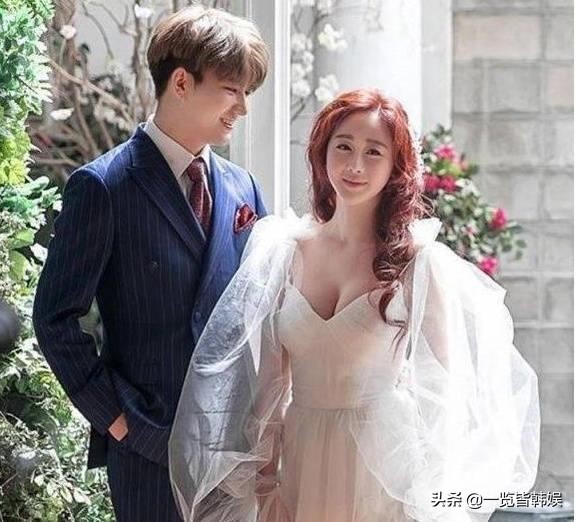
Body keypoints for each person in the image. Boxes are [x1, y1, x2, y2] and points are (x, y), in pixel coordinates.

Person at [168, 89, 540, 522]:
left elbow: (445, 390)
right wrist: (265, 483)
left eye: (374, 152)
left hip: (383, 466)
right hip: (302, 459)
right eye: (343, 146)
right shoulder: (284, 251)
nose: (355, 165)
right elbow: (270, 387)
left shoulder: (417, 263)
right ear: (322, 152)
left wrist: (429, 489)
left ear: (396, 166)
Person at [32, 6, 269, 521]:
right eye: (232, 90)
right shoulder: (104, 186)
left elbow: (265, 304)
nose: (243, 108)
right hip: (148, 449)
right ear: (181, 82)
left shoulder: (243, 187)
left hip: (235, 452)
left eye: (247, 92)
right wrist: (119, 420)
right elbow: (54, 317)